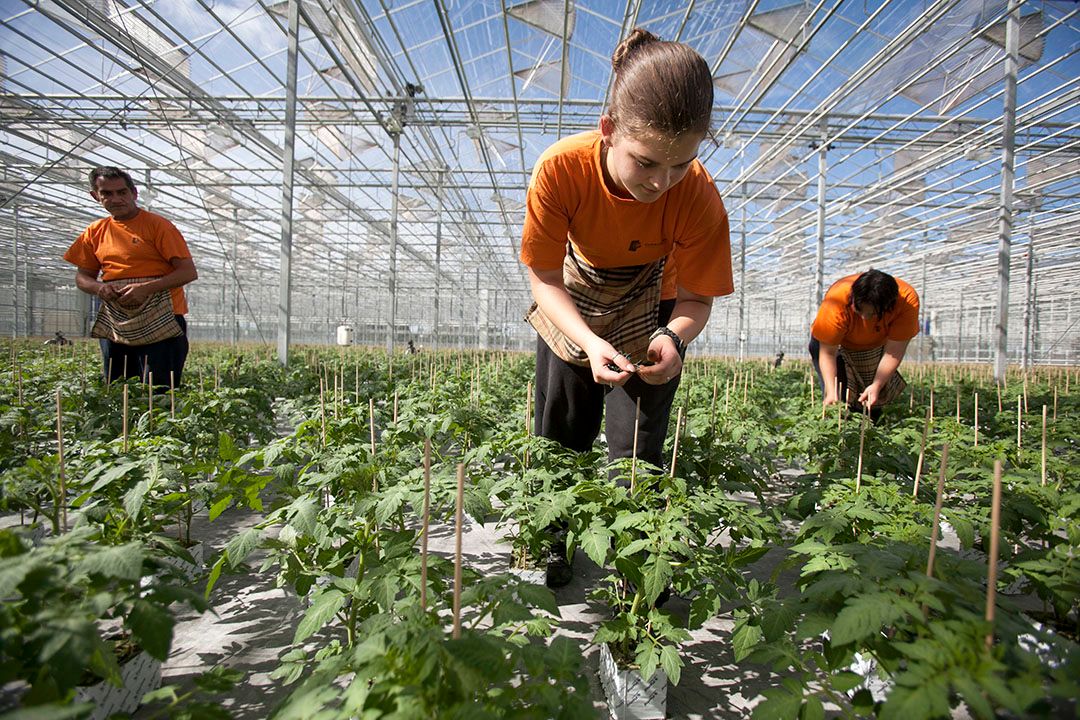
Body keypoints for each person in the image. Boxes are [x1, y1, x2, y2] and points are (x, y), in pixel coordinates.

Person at [520, 29, 733, 586]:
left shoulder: (699, 196)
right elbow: (544, 276)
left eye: (681, 165)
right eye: (646, 163)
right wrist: (589, 342)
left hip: (651, 295)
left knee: (639, 441)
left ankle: (637, 561)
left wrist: (675, 339)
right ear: (609, 131)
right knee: (562, 427)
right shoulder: (562, 169)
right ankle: (554, 540)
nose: (663, 183)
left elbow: (695, 298)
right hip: (574, 294)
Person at [64, 167, 198, 386]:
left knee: (160, 390)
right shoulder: (95, 231)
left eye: (122, 192)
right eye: (107, 193)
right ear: (95, 196)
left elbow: (188, 271)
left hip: (162, 319)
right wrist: (99, 288)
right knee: (118, 386)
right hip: (118, 320)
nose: (116, 199)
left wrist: (145, 288)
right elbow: (82, 277)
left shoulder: (158, 226)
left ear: (134, 193)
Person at [808, 269, 919, 420]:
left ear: (888, 307)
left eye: (871, 314)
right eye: (858, 310)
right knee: (838, 400)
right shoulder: (837, 299)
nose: (863, 318)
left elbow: (894, 351)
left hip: (873, 347)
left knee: (872, 402)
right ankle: (839, 436)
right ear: (853, 297)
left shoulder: (907, 302)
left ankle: (867, 436)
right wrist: (831, 390)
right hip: (834, 346)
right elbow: (828, 353)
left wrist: (877, 384)